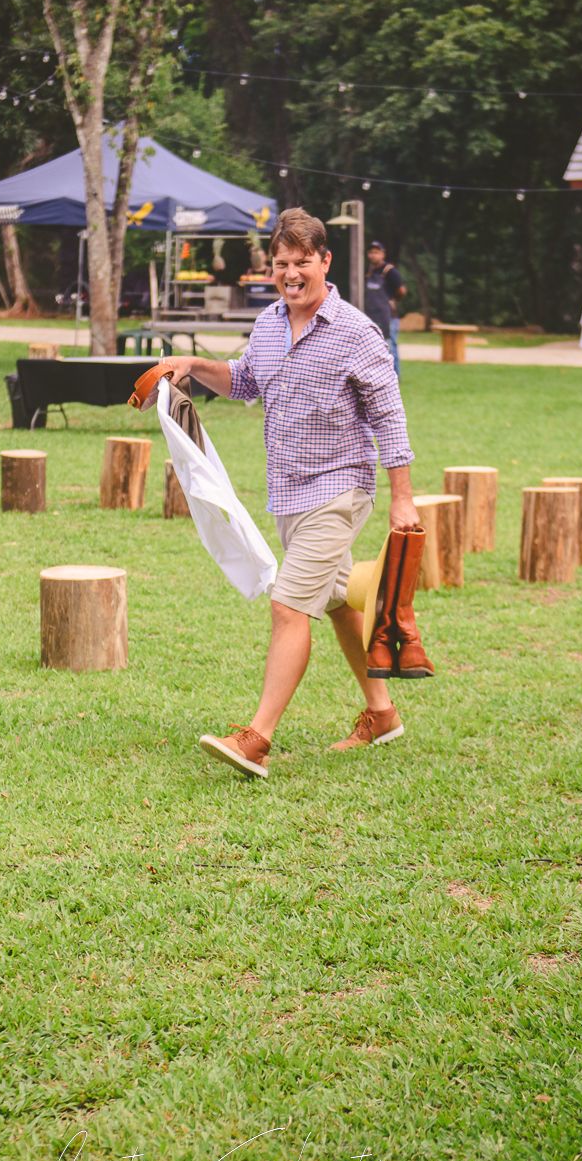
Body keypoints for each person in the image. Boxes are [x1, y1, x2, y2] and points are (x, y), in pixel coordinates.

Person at [157, 208, 430, 780]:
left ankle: (257, 738)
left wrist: (402, 497)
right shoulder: (269, 323)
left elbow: (389, 416)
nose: (290, 273)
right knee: (334, 604)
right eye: (281, 264)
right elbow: (248, 381)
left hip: (340, 488)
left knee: (288, 606)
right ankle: (381, 714)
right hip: (288, 493)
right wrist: (193, 365)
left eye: (301, 262)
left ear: (324, 262)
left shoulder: (355, 331)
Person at [361, 240, 407, 372]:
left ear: (383, 254)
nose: (373, 255)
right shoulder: (368, 271)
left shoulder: (390, 271)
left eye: (376, 252)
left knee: (390, 345)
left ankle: (394, 376)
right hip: (371, 314)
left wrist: (392, 300)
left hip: (388, 315)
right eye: (370, 252)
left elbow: (402, 290)